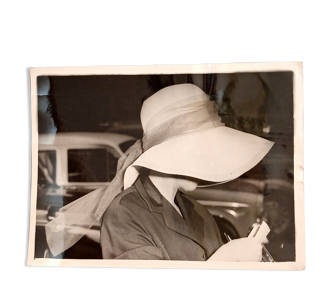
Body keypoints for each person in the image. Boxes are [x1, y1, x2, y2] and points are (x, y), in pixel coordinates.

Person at [45, 83, 274, 261]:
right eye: (203, 150)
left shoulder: (199, 212)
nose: (209, 161)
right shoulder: (124, 215)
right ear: (173, 152)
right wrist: (226, 260)